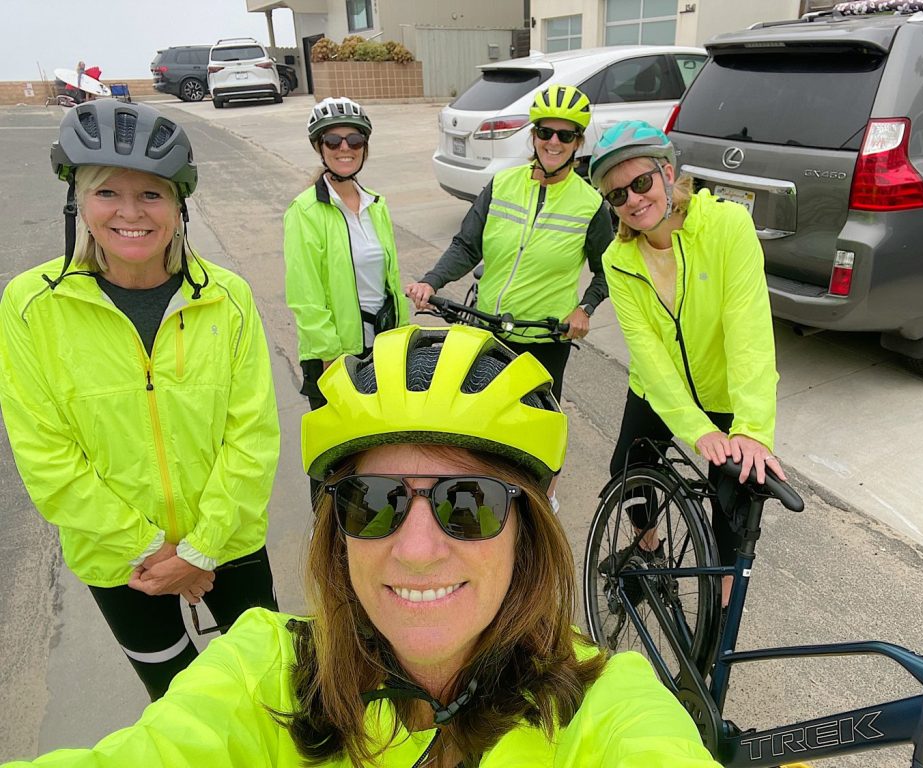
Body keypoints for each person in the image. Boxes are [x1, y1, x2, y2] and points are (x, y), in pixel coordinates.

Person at [0, 324, 723, 768]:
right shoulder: (264, 672)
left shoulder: (607, 701)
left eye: (465, 505)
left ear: (528, 528)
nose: (414, 550)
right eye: (372, 504)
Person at [0, 100, 280, 700]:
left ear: (180, 207)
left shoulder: (226, 298)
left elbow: (251, 435)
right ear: (79, 201)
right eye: (108, 194)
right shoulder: (30, 306)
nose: (130, 213)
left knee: (269, 689)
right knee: (176, 700)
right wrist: (155, 549)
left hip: (227, 541)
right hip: (121, 559)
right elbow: (46, 457)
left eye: (152, 195)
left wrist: (201, 549)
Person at [588, 121, 782, 596]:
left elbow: (749, 332)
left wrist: (751, 430)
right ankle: (648, 547)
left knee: (731, 517)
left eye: (641, 182)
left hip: (724, 393)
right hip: (657, 389)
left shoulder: (729, 227)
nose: (633, 200)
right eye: (618, 196)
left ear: (668, 172)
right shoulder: (618, 260)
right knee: (628, 472)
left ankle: (716, 631)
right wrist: (696, 430)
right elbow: (649, 356)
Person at [405, 84, 613, 405]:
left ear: (579, 142)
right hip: (487, 329)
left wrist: (584, 309)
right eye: (545, 132)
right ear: (533, 136)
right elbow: (466, 246)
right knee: (479, 417)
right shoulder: (502, 184)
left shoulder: (590, 205)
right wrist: (431, 281)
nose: (553, 142)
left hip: (546, 337)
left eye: (565, 135)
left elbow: (606, 273)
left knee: (536, 426)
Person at [284, 96, 409, 413]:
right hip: (335, 355)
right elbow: (304, 294)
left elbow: (389, 282)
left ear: (364, 146)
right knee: (340, 455)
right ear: (320, 147)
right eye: (333, 140)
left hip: (381, 347)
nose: (345, 148)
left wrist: (402, 337)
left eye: (354, 139)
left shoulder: (376, 205)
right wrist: (331, 355)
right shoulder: (306, 211)